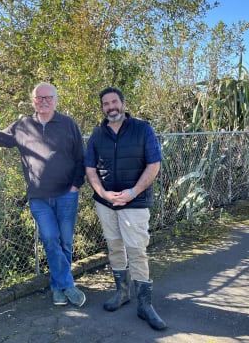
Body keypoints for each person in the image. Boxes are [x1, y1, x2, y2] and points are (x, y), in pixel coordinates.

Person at [0, 82, 87, 307]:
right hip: (39, 197)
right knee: (50, 238)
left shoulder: (68, 124)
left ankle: (58, 287)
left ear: (55, 99)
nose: (44, 101)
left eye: (48, 97)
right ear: (33, 100)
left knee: (65, 241)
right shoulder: (23, 125)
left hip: (67, 195)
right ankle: (69, 285)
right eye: (39, 97)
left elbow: (81, 158)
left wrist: (75, 186)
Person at [84, 86, 167, 330]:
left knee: (137, 249)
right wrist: (104, 194)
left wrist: (132, 192)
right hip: (106, 203)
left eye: (114, 102)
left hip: (135, 203)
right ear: (102, 108)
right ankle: (122, 293)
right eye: (106, 104)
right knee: (115, 247)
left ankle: (145, 305)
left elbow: (153, 164)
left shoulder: (143, 129)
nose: (111, 107)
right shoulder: (97, 134)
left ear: (123, 103)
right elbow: (90, 169)